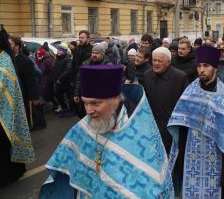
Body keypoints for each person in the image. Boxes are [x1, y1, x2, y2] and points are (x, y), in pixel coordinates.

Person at [39, 65, 173, 198]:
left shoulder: (141, 130)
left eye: (95, 103)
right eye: (85, 103)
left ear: (116, 99)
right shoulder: (84, 125)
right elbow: (65, 166)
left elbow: (152, 182)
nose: (88, 111)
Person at [167, 46, 224, 198]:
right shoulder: (190, 93)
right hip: (192, 159)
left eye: (206, 66)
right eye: (199, 66)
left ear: (215, 68)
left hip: (219, 159)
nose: (201, 70)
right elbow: (180, 126)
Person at [0, 26, 35, 187]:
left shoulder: (4, 58)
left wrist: (35, 96)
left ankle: (10, 175)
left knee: (5, 144)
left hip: (4, 111)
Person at [143, 47, 188, 154]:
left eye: (160, 61)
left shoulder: (180, 77)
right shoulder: (147, 75)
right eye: (154, 60)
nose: (156, 63)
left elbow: (186, 105)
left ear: (168, 62)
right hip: (152, 127)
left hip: (172, 128)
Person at [9, 36, 45, 130]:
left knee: (30, 113)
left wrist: (34, 97)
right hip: (14, 93)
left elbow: (31, 80)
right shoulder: (9, 59)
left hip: (25, 94)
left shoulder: (25, 60)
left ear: (17, 46)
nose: (8, 46)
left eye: (10, 44)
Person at [73, 43, 112, 117]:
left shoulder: (108, 66)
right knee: (82, 114)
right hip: (85, 95)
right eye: (93, 52)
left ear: (102, 54)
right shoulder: (86, 63)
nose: (94, 55)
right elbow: (79, 79)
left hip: (99, 99)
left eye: (97, 53)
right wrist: (76, 93)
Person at [52, 44, 73, 115]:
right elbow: (55, 69)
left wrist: (60, 79)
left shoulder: (68, 58)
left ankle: (72, 109)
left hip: (65, 81)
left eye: (60, 50)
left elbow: (67, 70)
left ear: (64, 51)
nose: (58, 51)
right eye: (58, 49)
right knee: (58, 95)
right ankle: (64, 107)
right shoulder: (57, 58)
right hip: (58, 81)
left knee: (69, 96)